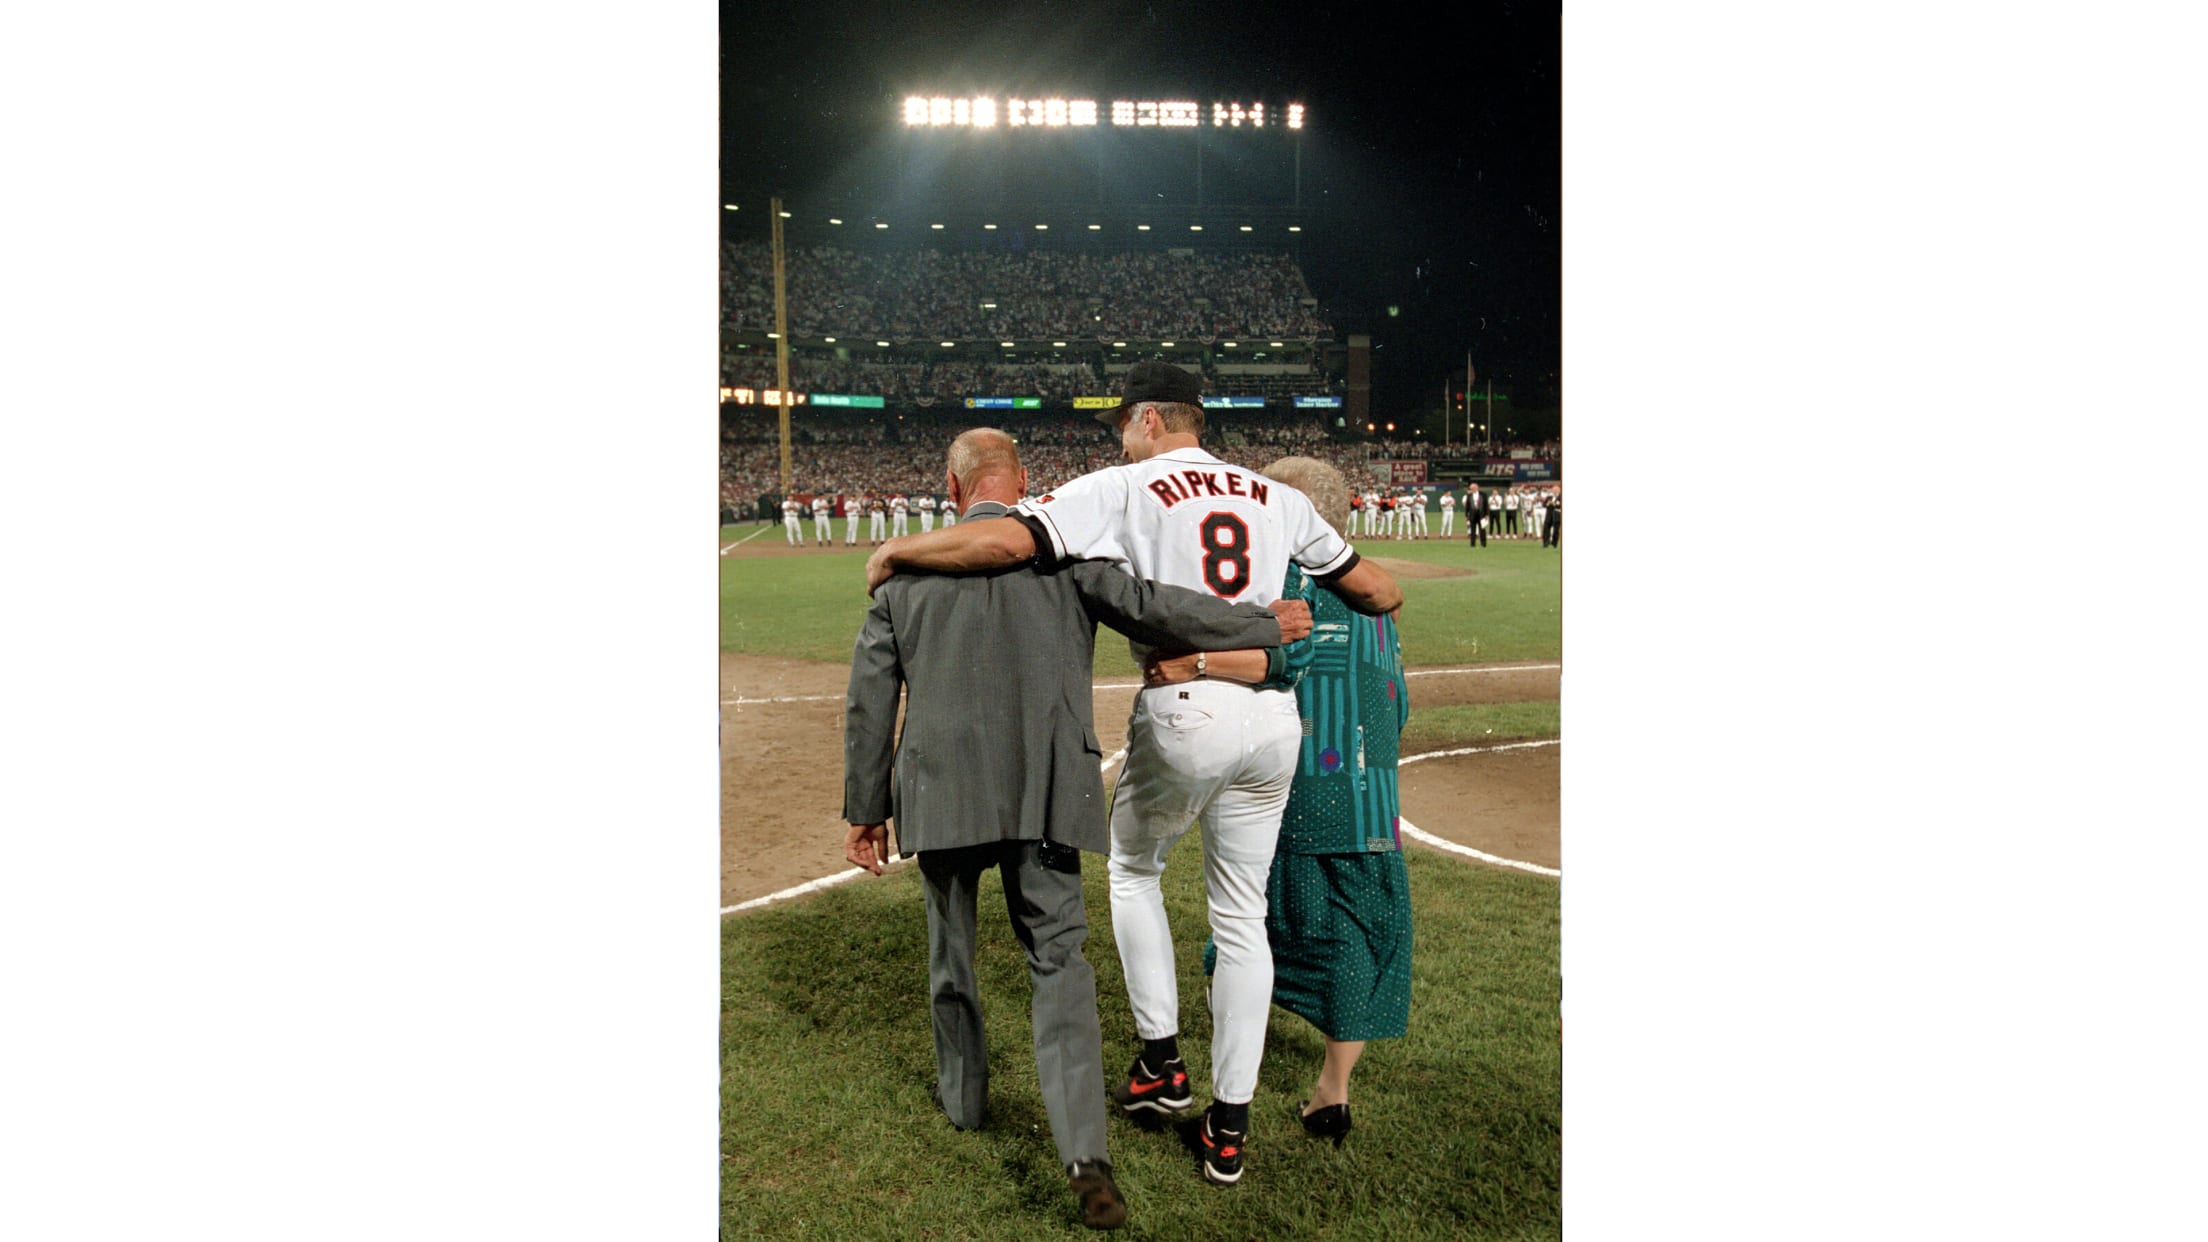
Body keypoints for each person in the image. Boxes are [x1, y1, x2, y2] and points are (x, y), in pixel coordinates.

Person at [864, 361, 1403, 1187]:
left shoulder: (1123, 483)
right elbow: (1376, 590)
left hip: (1187, 701)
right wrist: (1282, 615)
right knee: (1242, 913)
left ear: (1150, 419)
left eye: (1123, 419)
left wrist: (898, 548)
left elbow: (1007, 539)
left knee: (1133, 871)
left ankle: (1161, 1061)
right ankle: (1231, 1124)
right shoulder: (1279, 496)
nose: (1119, 432)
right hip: (1272, 715)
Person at [1145, 457, 1412, 1150]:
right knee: (1354, 937)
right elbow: (1396, 697)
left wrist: (1190, 665)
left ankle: (1233, 1056)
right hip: (1373, 799)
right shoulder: (1372, 596)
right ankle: (1333, 1092)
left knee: (1242, 926)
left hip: (1308, 797)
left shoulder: (1299, 585)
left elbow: (1277, 662)